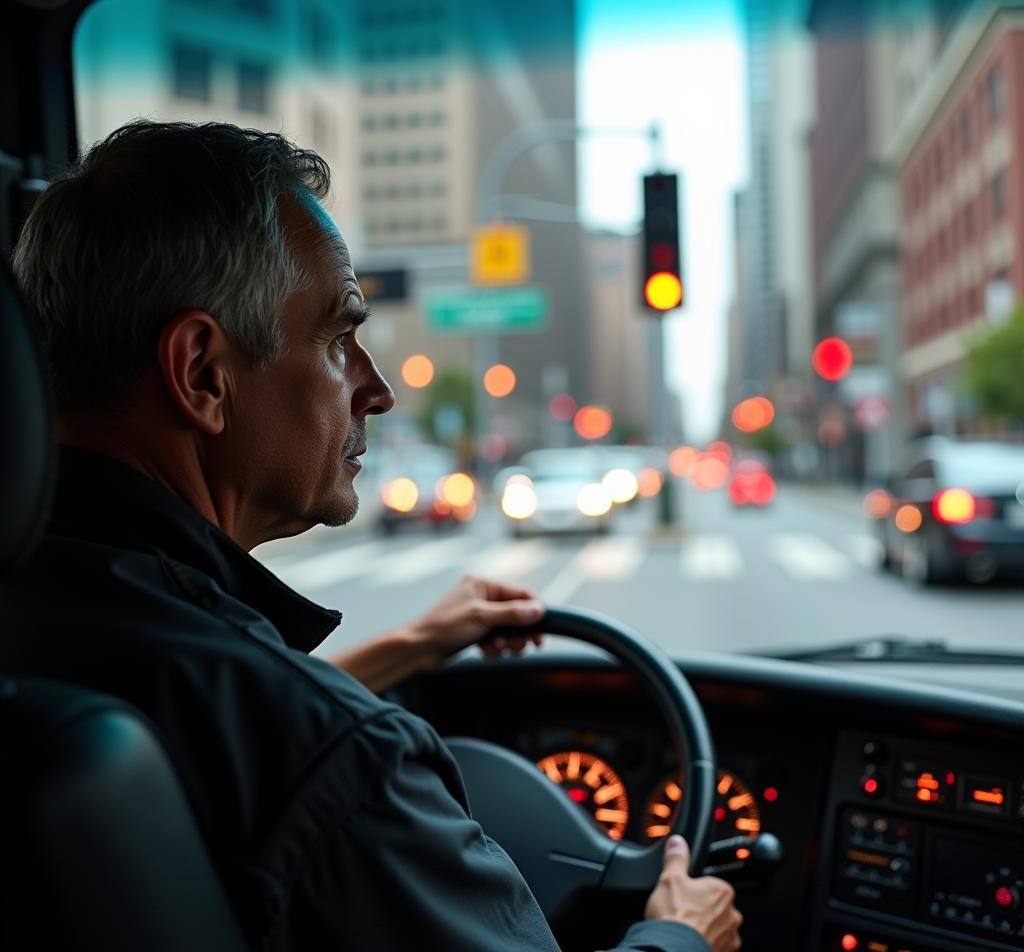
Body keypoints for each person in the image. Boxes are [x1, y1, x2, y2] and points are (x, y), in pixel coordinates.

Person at [3, 120, 742, 952]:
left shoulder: (50, 616)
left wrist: (415, 644)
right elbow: (283, 739)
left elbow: (218, 723)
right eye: (338, 338)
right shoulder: (345, 761)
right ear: (205, 374)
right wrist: (679, 937)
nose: (378, 390)